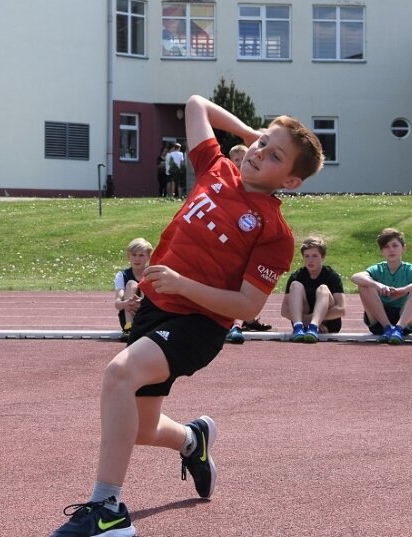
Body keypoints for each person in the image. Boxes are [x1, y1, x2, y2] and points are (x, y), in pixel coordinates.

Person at [49, 94, 324, 537]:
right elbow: (196, 104)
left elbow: (247, 306)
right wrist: (253, 134)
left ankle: (108, 509)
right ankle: (192, 440)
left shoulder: (275, 233)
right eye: (260, 143)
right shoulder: (216, 168)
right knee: (138, 428)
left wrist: (182, 284)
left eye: (274, 155)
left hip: (198, 326)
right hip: (156, 309)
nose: (258, 153)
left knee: (118, 375)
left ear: (290, 181)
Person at [224, 143, 272, 344]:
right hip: (228, 245)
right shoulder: (227, 186)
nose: (242, 163)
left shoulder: (258, 190)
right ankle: (236, 323)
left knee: (248, 286)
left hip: (248, 247)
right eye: (237, 160)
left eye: (244, 159)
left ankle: (242, 321)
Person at [351, 228, 412, 344]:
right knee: (364, 285)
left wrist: (405, 289)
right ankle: (388, 328)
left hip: (404, 320)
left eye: (395, 246)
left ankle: (398, 329)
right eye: (386, 247)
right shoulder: (378, 269)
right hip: (379, 320)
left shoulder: (408, 269)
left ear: (403, 248)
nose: (391, 250)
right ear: (382, 251)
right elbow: (355, 277)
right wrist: (378, 285)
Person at [280, 235, 345, 343]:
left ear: (322, 257)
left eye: (314, 256)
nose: (310, 260)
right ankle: (298, 326)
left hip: (328, 324)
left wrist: (316, 320)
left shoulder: (331, 276)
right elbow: (284, 310)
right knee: (296, 285)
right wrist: (305, 321)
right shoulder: (297, 276)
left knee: (323, 289)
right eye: (307, 256)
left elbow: (341, 309)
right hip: (302, 324)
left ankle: (313, 327)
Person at [114, 238, 153, 340]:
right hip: (129, 315)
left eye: (141, 255)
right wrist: (127, 303)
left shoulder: (153, 273)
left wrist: (142, 303)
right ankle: (129, 329)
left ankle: (146, 327)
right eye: (134, 255)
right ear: (129, 257)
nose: (137, 259)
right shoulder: (122, 275)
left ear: (149, 257)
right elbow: (117, 304)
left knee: (145, 281)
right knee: (131, 284)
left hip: (148, 314)